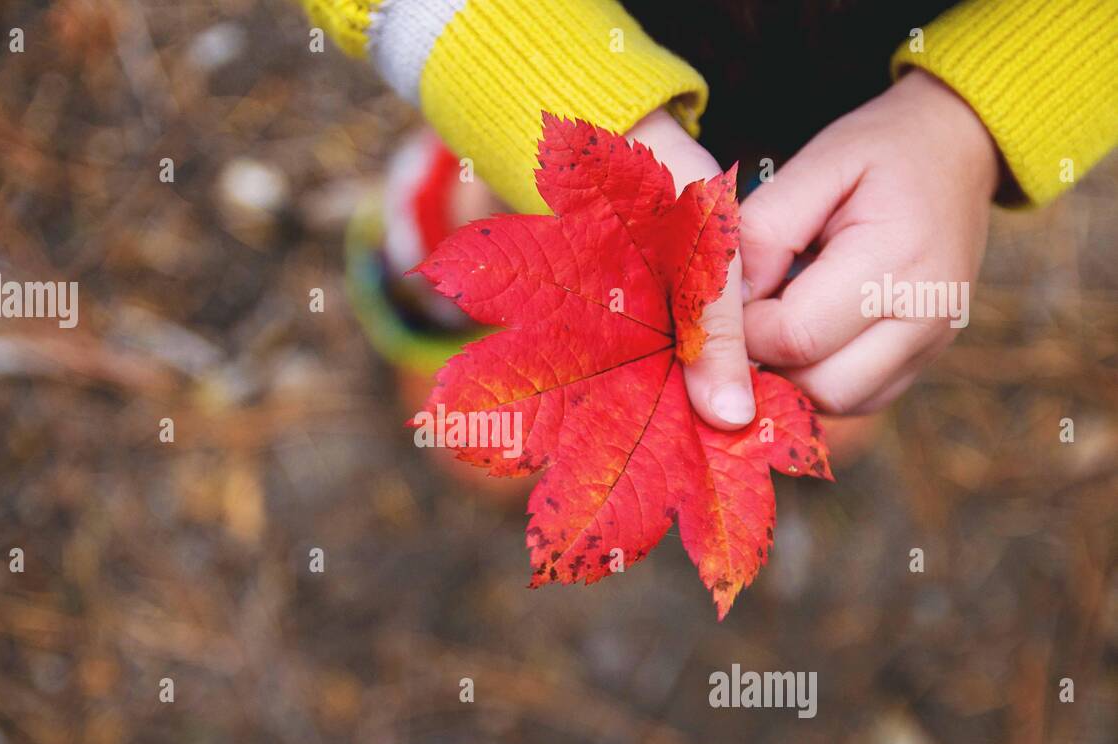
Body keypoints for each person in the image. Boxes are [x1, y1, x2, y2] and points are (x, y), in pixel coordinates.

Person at [308, 0, 1117, 431]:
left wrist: (970, 115)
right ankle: (466, 343)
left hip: (863, 127)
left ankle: (791, 394)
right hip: (540, 61)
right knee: (492, 231)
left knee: (812, 318)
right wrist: (496, 53)